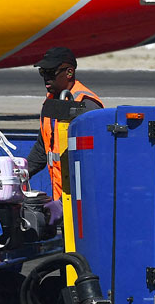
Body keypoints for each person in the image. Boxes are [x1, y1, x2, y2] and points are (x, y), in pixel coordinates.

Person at [25, 48, 104, 200]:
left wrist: (63, 202)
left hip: (82, 200)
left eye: (51, 72)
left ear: (69, 72)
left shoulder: (86, 105)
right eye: (43, 72)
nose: (46, 78)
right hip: (61, 198)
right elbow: (42, 150)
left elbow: (92, 164)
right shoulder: (50, 102)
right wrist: (20, 173)